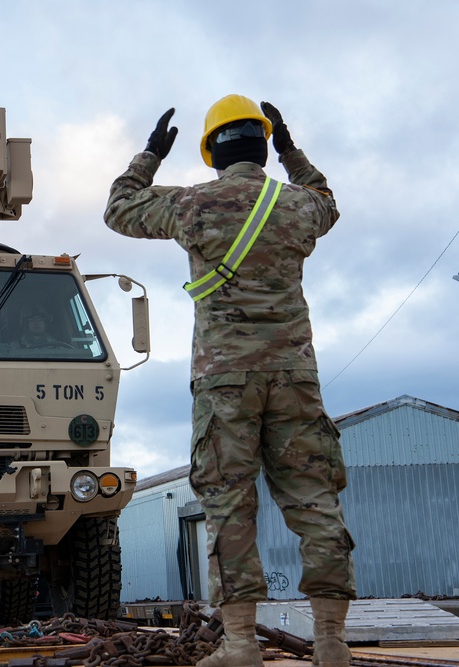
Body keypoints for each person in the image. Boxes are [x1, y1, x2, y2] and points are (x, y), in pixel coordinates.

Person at [103, 96, 355, 667]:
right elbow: (326, 202)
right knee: (316, 500)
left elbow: (119, 209)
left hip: (224, 382)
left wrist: (148, 155)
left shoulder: (190, 205)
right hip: (295, 375)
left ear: (211, 151)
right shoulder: (296, 207)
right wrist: (292, 151)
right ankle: (332, 642)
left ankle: (241, 645)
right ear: (264, 145)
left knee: (228, 505)